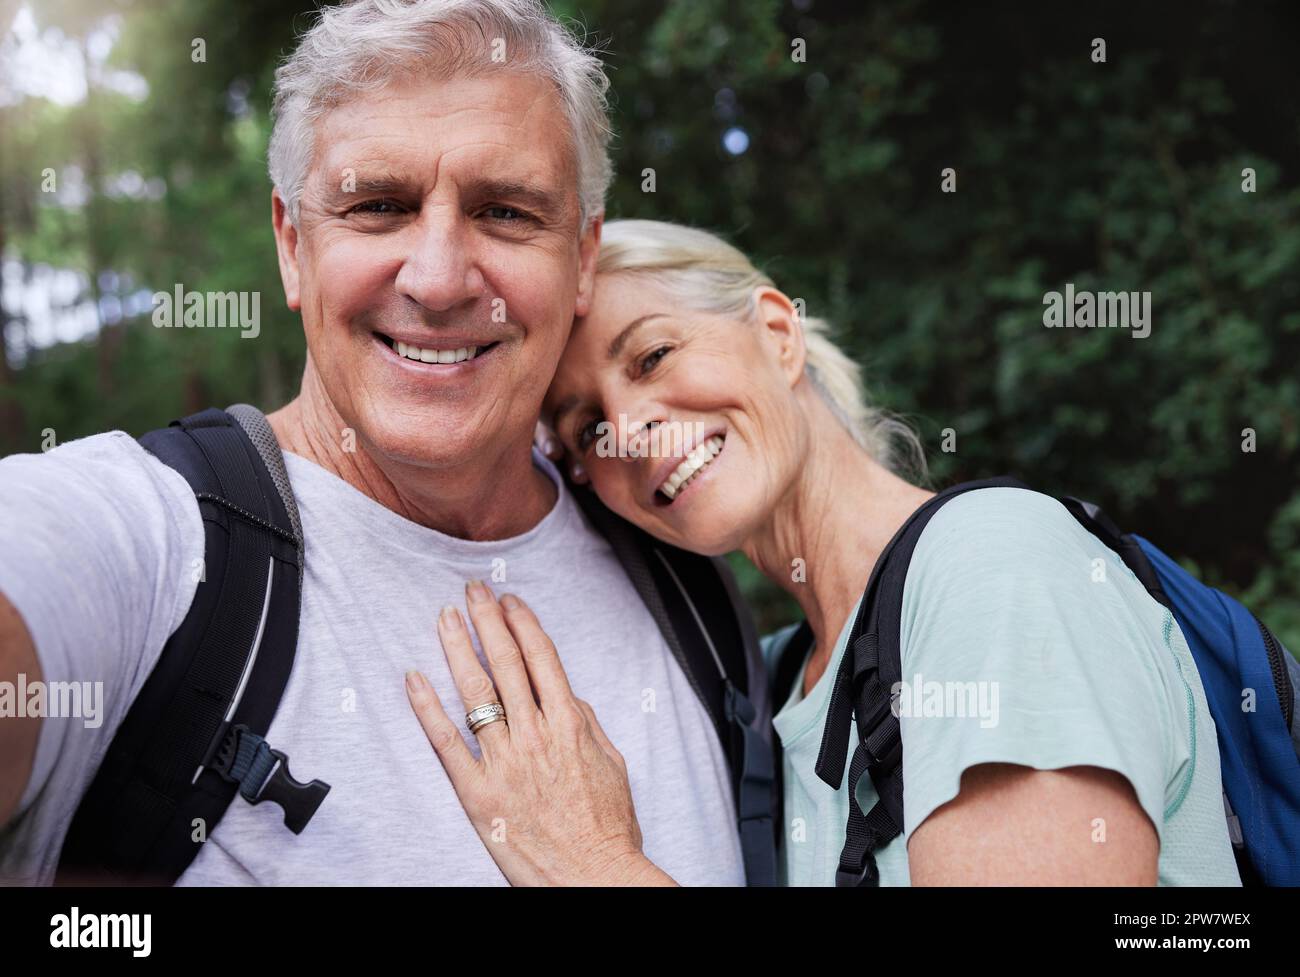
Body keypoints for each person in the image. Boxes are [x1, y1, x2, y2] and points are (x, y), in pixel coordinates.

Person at [0, 2, 765, 886]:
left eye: (506, 211)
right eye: (378, 206)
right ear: (292, 245)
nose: (438, 280)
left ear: (584, 257)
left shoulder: (682, 581)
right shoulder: (156, 543)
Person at [406, 219, 1244, 886]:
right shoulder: (761, 685)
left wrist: (593, 866)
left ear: (777, 332)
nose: (628, 430)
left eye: (654, 354)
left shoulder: (995, 570)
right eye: (586, 424)